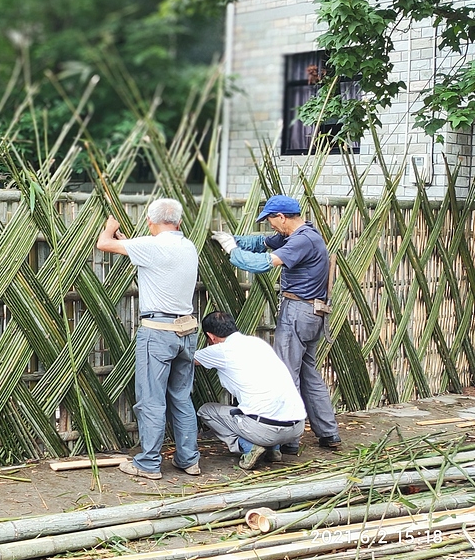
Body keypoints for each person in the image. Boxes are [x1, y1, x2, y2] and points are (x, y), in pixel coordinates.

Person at [210, 194, 341, 453]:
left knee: (286, 374)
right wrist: (232, 239)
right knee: (308, 374)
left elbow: (261, 264)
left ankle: (288, 443)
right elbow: (260, 243)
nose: (270, 225)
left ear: (282, 217)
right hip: (314, 313)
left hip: (298, 312)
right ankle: (329, 433)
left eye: (271, 220)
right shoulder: (302, 234)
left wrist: (231, 251)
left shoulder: (302, 241)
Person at [97, 198, 201, 480]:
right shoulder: (187, 246)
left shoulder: (152, 246)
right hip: (187, 332)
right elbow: (152, 255)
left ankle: (148, 464)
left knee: (151, 401)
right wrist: (128, 242)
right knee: (181, 398)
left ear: (150, 221)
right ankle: (189, 460)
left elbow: (103, 244)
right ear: (179, 222)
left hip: (157, 333)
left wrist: (110, 228)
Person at [194, 311, 307, 469]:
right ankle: (273, 450)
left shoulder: (221, 351)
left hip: (266, 430)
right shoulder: (257, 343)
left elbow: (189, 358)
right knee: (258, 404)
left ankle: (249, 447)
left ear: (211, 337)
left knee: (206, 411)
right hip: (296, 427)